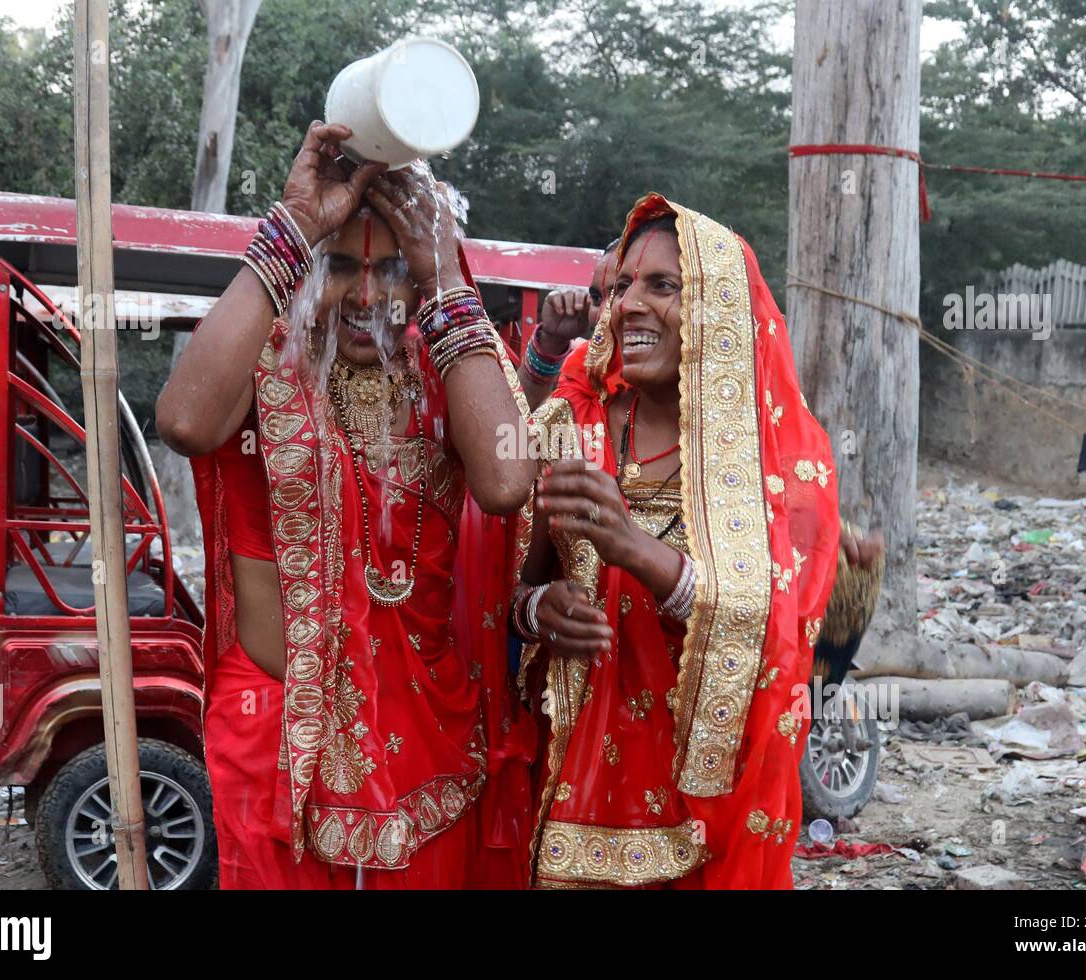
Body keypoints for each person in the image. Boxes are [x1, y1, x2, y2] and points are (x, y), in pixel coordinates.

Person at [156, 122, 536, 889]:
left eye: (392, 270)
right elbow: (186, 423)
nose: (367, 295)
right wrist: (296, 225)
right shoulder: (266, 363)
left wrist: (447, 282)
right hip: (277, 739)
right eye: (338, 267)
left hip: (429, 739)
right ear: (303, 271)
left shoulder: (448, 369)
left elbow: (503, 482)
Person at [511, 192, 856, 889]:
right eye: (620, 288)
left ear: (720, 304)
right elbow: (506, 586)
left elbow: (775, 642)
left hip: (706, 821)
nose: (629, 305)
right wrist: (536, 609)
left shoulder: (782, 461)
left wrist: (633, 548)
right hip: (568, 802)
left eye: (662, 285)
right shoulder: (570, 424)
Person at [517, 238, 621, 410]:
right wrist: (551, 341)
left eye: (619, 292)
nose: (602, 314)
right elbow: (511, 430)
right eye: (596, 298)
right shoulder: (581, 374)